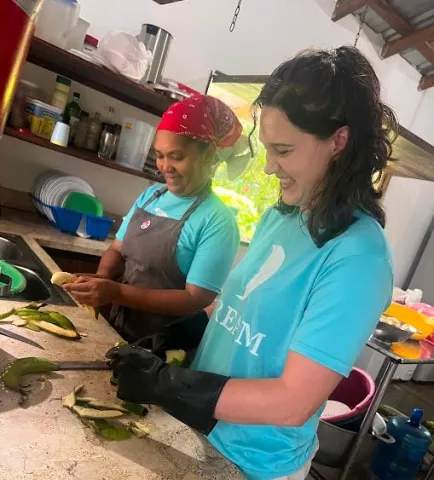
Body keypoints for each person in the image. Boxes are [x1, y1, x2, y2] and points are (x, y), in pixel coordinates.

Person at [106, 46, 396, 480]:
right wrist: (174, 336)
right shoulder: (281, 216)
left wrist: (164, 384)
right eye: (266, 148)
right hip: (199, 429)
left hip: (253, 463)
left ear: (339, 141)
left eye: (283, 150)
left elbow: (292, 402)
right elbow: (235, 304)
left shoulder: (358, 259)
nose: (267, 168)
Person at [65, 94, 243, 351]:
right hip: (117, 329)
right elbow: (117, 250)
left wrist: (115, 292)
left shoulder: (217, 221)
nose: (165, 166)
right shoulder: (151, 196)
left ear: (208, 156)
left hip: (161, 349)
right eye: (159, 155)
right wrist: (101, 280)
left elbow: (194, 299)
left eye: (176, 156)